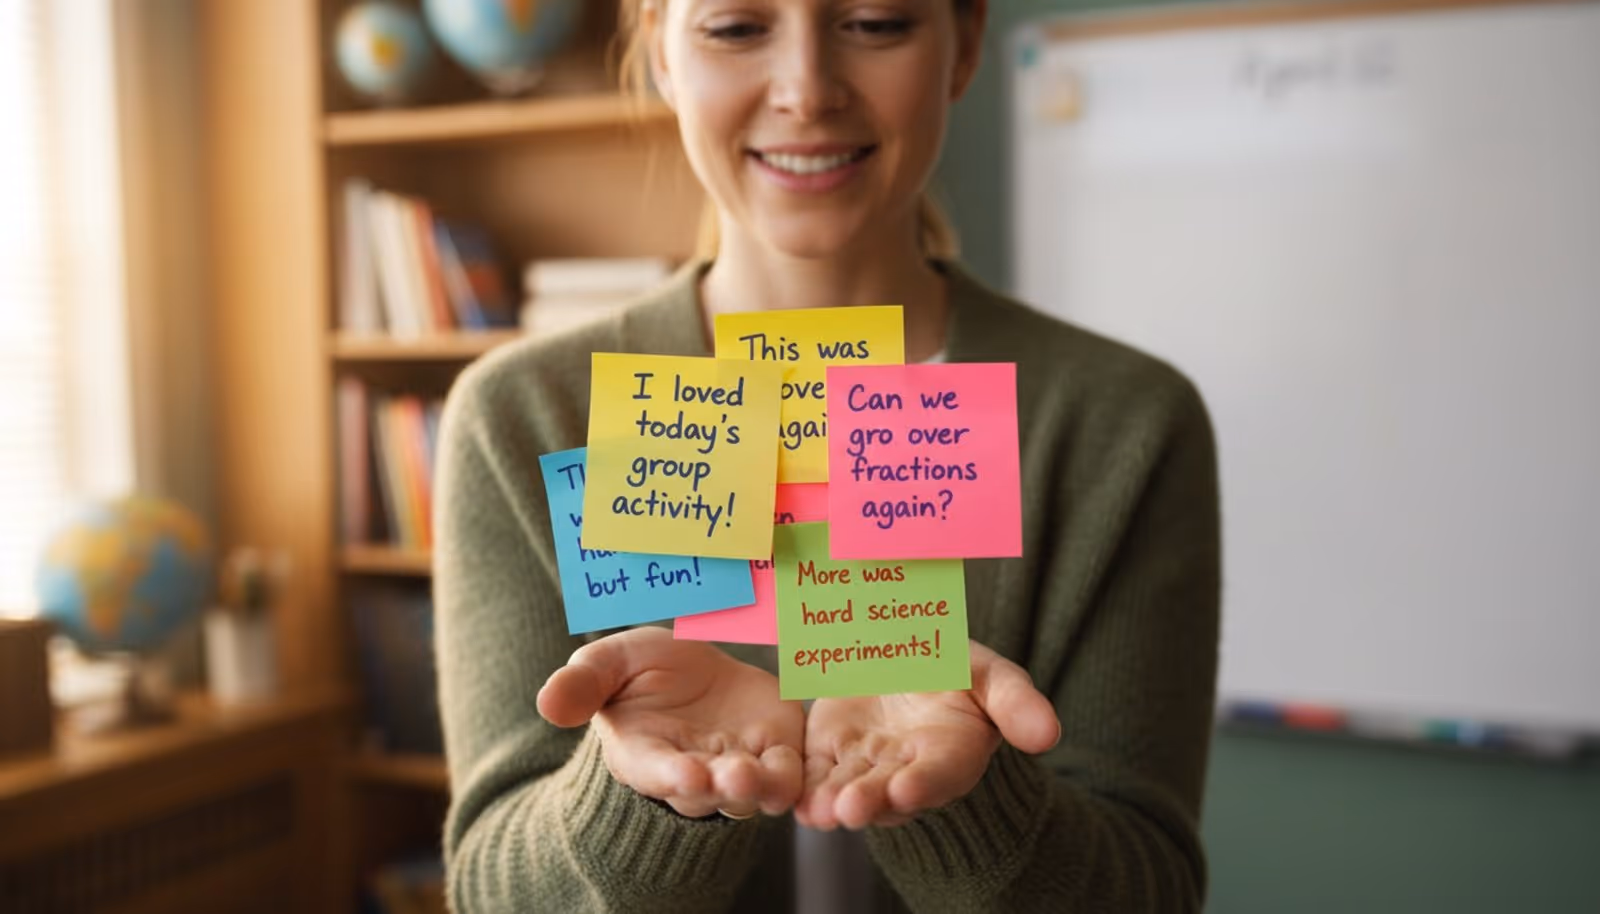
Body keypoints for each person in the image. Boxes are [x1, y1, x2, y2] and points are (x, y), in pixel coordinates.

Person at [433, 0, 1221, 911]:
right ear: (660, 53)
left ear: (963, 46)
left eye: (876, 22)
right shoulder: (524, 418)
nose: (806, 92)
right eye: (735, 28)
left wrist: (968, 801)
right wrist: (638, 798)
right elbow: (490, 890)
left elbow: (1149, 891)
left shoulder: (1123, 425)